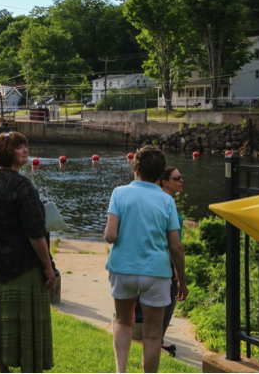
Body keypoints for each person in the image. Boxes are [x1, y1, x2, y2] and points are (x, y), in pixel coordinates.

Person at [104, 146, 187, 374]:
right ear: (161, 175)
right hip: (157, 272)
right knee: (152, 332)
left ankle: (121, 372)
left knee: (123, 322)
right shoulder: (167, 201)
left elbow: (110, 235)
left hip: (123, 269)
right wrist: (182, 280)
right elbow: (176, 246)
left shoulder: (119, 193)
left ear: (136, 169)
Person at [0, 131, 56, 374]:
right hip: (24, 267)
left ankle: (3, 370)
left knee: (1, 324)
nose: (25, 150)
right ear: (7, 153)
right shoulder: (23, 186)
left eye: (25, 145)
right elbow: (35, 233)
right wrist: (47, 266)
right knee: (27, 326)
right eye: (19, 147)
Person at [134, 166, 186, 356]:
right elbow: (168, 239)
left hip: (161, 256)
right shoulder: (165, 202)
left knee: (165, 299)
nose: (181, 180)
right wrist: (176, 269)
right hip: (166, 257)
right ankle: (157, 340)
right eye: (176, 177)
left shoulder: (164, 201)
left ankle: (156, 338)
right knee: (169, 298)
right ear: (164, 181)